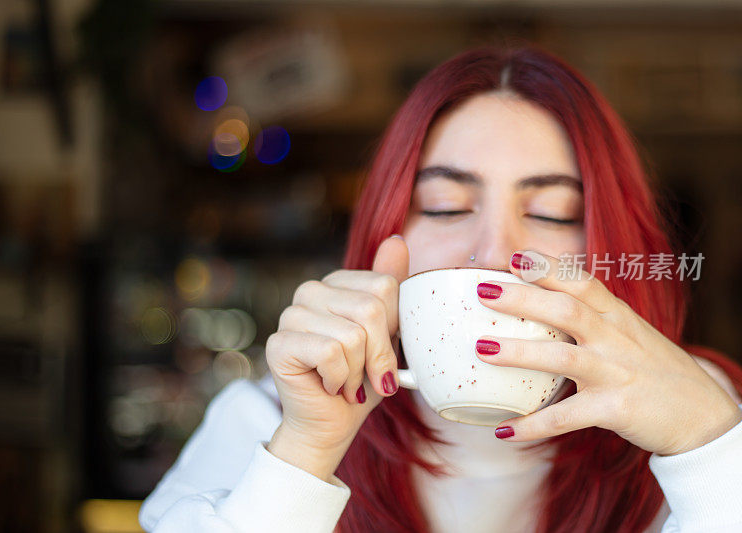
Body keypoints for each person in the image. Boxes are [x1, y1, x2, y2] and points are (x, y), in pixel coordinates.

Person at [138, 44, 742, 533]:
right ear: (389, 230)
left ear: (609, 250)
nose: (495, 254)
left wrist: (709, 449)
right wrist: (306, 450)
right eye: (446, 206)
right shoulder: (270, 419)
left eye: (556, 213)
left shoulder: (710, 418)